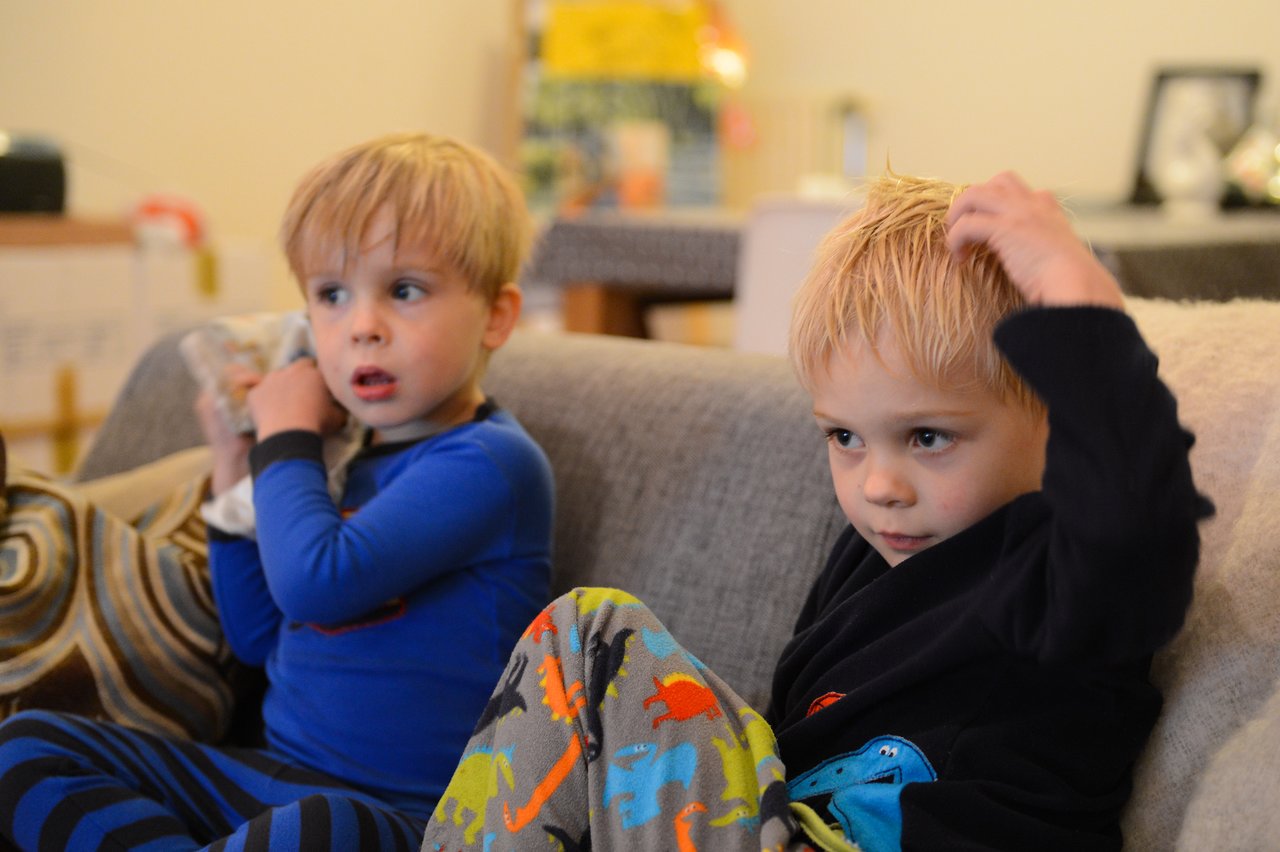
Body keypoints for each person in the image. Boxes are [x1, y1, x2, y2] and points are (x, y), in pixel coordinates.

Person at [420, 172, 1211, 851]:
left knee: (591, 635)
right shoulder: (875, 553)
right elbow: (785, 745)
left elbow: (1138, 524)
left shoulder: (1058, 574)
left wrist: (1081, 306)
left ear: (1056, 416)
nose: (878, 485)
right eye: (845, 437)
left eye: (928, 436)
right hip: (790, 820)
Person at [0, 132, 555, 850]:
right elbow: (260, 637)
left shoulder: (490, 463)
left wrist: (285, 438)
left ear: (498, 316)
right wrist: (236, 468)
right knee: (27, 743)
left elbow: (316, 585)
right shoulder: (343, 461)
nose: (361, 327)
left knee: (327, 828)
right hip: (274, 779)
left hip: (406, 820)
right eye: (331, 295)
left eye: (406, 290)